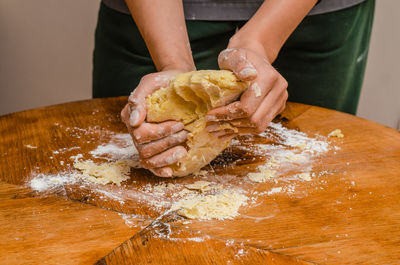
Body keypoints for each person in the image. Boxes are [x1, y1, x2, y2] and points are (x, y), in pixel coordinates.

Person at [93, 0, 375, 177]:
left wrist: (260, 41)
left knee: (318, 172)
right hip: (155, 13)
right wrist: (173, 64)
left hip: (310, 11)